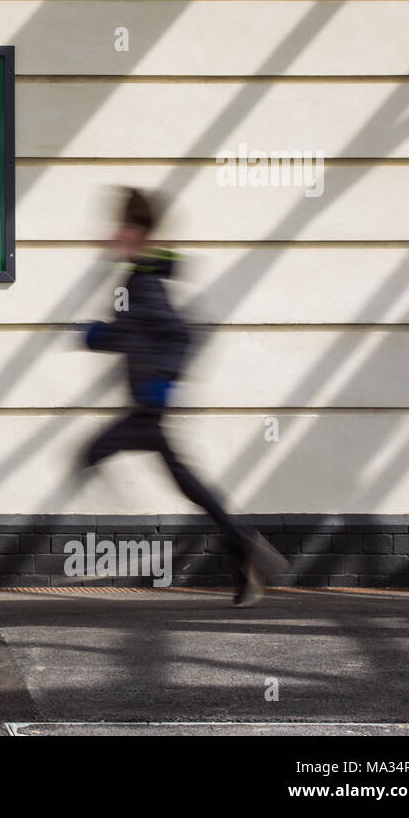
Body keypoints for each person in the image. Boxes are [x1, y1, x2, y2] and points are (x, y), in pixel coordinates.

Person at [80, 187, 287, 606]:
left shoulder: (144, 282)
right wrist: (101, 335)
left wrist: (164, 381)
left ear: (137, 232)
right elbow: (139, 334)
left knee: (91, 455)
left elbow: (180, 333)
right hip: (146, 405)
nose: (112, 235)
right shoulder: (138, 278)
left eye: (120, 227)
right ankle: (246, 549)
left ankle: (239, 547)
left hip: (148, 405)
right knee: (185, 482)